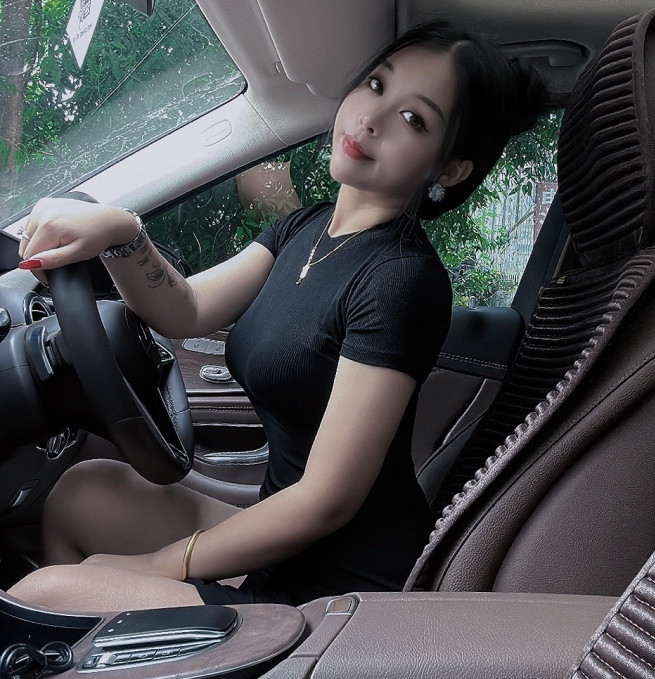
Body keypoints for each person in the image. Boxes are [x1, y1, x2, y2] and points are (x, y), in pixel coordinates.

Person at [9, 20, 547, 612]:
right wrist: (121, 232)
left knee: (44, 594)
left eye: (413, 119)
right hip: (283, 537)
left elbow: (326, 500)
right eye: (376, 84)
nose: (371, 118)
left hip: (338, 587)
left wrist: (160, 564)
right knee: (82, 494)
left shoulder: (403, 280)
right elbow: (187, 308)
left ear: (449, 169)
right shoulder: (305, 228)